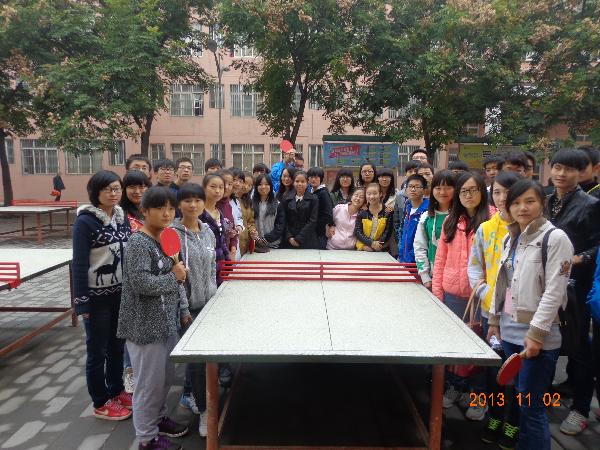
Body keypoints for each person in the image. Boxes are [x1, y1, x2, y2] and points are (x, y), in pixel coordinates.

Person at [487, 179, 574, 450]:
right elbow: (503, 284)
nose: (522, 208)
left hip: (538, 339)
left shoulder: (555, 238)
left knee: (531, 406)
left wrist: (536, 334)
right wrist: (494, 320)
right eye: (516, 202)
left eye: (529, 201)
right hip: (509, 331)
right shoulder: (510, 237)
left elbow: (554, 291)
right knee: (519, 398)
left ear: (542, 203)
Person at [117, 186, 190, 450]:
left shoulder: (165, 237)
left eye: (171, 208)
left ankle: (158, 419)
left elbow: (175, 277)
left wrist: (182, 310)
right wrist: (175, 276)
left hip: (166, 323)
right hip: (144, 328)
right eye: (160, 208)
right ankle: (146, 439)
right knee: (148, 385)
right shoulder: (139, 243)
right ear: (145, 211)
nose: (167, 213)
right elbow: (141, 283)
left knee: (164, 378)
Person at [545, 148, 600, 435]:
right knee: (546, 341)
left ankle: (580, 408)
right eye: (557, 167)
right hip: (545, 283)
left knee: (577, 348)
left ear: (581, 173)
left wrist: (580, 258)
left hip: (576, 286)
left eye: (569, 169)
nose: (562, 174)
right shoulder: (545, 200)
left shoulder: (590, 205)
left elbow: (598, 244)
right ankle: (542, 398)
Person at [72, 170, 132, 421]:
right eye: (107, 189)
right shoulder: (85, 222)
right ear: (95, 192)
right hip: (96, 299)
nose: (113, 193)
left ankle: (116, 390)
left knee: (117, 347)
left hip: (120, 295)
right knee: (97, 351)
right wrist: (81, 302)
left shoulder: (121, 217)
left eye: (116, 188)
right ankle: (100, 401)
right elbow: (79, 264)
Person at [467, 171, 521, 440]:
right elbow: (475, 267)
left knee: (519, 374)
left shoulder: (531, 230)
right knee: (495, 370)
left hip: (522, 317)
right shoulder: (486, 228)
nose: (501, 198)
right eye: (496, 192)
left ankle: (514, 422)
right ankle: (496, 416)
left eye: (507, 192)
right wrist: (488, 294)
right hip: (491, 312)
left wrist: (505, 300)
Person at [432, 172, 489, 408]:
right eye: (464, 191)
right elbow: (440, 260)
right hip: (452, 294)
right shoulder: (451, 221)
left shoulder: (492, 221)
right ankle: (455, 387)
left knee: (480, 349)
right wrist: (438, 294)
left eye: (473, 190)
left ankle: (478, 396)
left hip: (481, 297)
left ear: (482, 192)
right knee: (454, 346)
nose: (468, 195)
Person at [171, 183, 217, 437]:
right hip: (189, 309)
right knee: (198, 363)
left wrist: (215, 295)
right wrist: (184, 308)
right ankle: (204, 412)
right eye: (187, 200)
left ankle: (198, 397)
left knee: (209, 360)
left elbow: (211, 268)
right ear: (179, 204)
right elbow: (176, 277)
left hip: (209, 305)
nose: (193, 205)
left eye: (197, 200)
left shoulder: (208, 232)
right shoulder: (172, 234)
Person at [119, 170, 152, 394]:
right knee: (130, 328)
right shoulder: (120, 215)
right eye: (132, 187)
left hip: (151, 276)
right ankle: (129, 371)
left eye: (142, 186)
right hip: (128, 279)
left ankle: (142, 370)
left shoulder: (151, 211)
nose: (138, 191)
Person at [414, 170, 455, 290]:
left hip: (456, 279)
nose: (442, 192)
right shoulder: (426, 217)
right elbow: (420, 246)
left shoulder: (461, 217)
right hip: (433, 277)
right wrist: (425, 276)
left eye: (447, 188)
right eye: (438, 188)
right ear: (432, 190)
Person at [266, 170, 319, 249]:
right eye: (297, 181)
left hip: (307, 239)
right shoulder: (286, 198)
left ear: (307, 183)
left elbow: (313, 220)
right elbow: (284, 220)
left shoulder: (314, 199)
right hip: (289, 240)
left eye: (303, 181)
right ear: (293, 182)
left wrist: (299, 238)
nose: (299, 184)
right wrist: (289, 237)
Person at [199, 174, 231, 284]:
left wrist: (228, 263)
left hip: (221, 265)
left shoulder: (219, 212)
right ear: (204, 188)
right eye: (213, 187)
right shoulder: (199, 213)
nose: (217, 191)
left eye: (221, 187)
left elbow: (222, 241)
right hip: (205, 268)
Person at [398, 174, 429, 263]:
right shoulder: (407, 208)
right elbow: (403, 234)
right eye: (410, 186)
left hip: (419, 262)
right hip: (404, 260)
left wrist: (411, 258)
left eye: (417, 187)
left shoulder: (428, 211)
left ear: (424, 190)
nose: (412, 189)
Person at [355, 183, 393, 252]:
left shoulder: (387, 211)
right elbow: (357, 231)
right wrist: (371, 243)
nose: (371, 197)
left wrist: (378, 245)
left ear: (380, 194)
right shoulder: (362, 211)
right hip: (364, 248)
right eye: (368, 194)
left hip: (382, 249)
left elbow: (387, 232)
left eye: (375, 193)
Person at [250, 174, 280, 249]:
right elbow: (249, 223)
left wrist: (265, 239)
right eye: (260, 184)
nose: (263, 187)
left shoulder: (278, 204)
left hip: (274, 245)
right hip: (256, 246)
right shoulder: (251, 204)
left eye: (266, 184)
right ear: (256, 187)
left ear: (271, 186)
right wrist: (257, 239)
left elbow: (280, 226)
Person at [307, 167, 334, 249]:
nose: (313, 179)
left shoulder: (323, 193)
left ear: (321, 179)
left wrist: (314, 223)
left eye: (316, 177)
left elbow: (328, 215)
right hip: (313, 232)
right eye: (311, 177)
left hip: (320, 233)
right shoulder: (311, 192)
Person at [217, 169, 239, 260]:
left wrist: (233, 246)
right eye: (223, 183)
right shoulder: (211, 205)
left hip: (227, 254)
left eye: (230, 184)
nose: (226, 187)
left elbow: (232, 228)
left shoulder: (228, 205)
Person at [236, 171, 256, 255]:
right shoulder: (230, 200)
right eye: (245, 183)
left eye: (250, 185)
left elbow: (250, 221)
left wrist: (252, 231)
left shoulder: (248, 202)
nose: (246, 187)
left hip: (245, 242)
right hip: (234, 242)